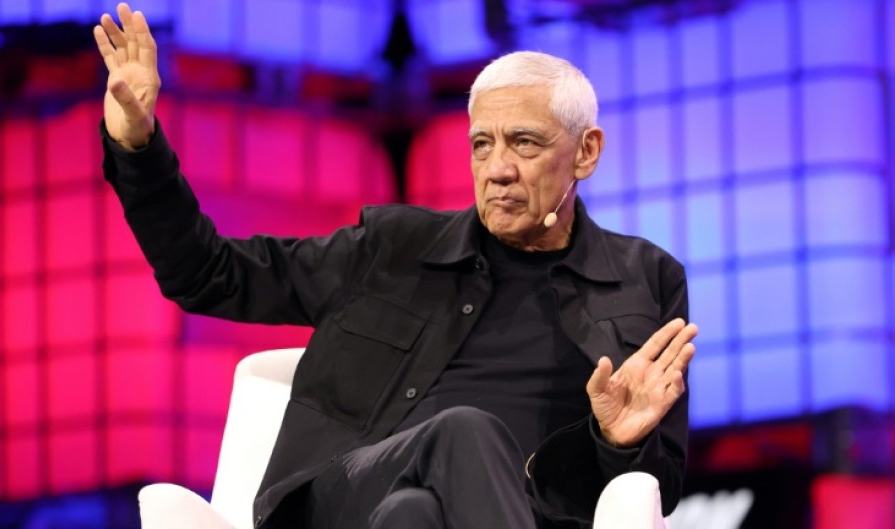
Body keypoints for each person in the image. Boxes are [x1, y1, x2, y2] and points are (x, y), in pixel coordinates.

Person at [95, 4, 698, 528]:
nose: (497, 169)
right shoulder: (394, 247)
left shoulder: (645, 278)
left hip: (513, 513)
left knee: (412, 515)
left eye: (525, 143)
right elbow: (209, 275)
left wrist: (619, 442)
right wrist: (138, 148)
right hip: (344, 500)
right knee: (464, 432)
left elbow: (657, 487)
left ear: (586, 152)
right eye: (481, 144)